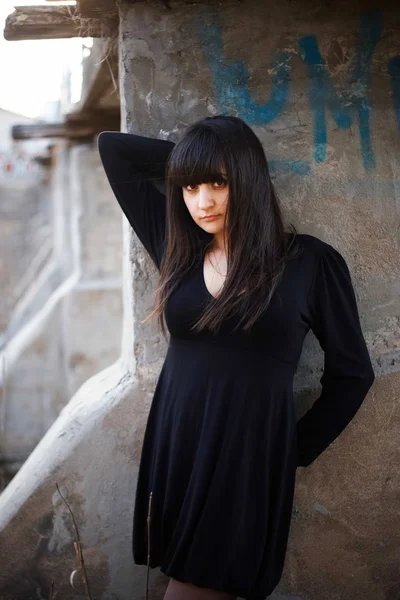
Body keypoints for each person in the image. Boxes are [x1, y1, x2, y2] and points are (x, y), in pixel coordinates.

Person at [97, 115, 375, 600]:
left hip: (244, 460)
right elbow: (112, 150)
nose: (201, 201)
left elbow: (353, 374)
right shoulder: (176, 249)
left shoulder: (309, 263)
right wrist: (193, 160)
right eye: (188, 187)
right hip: (177, 447)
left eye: (218, 182)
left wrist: (290, 450)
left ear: (245, 179)